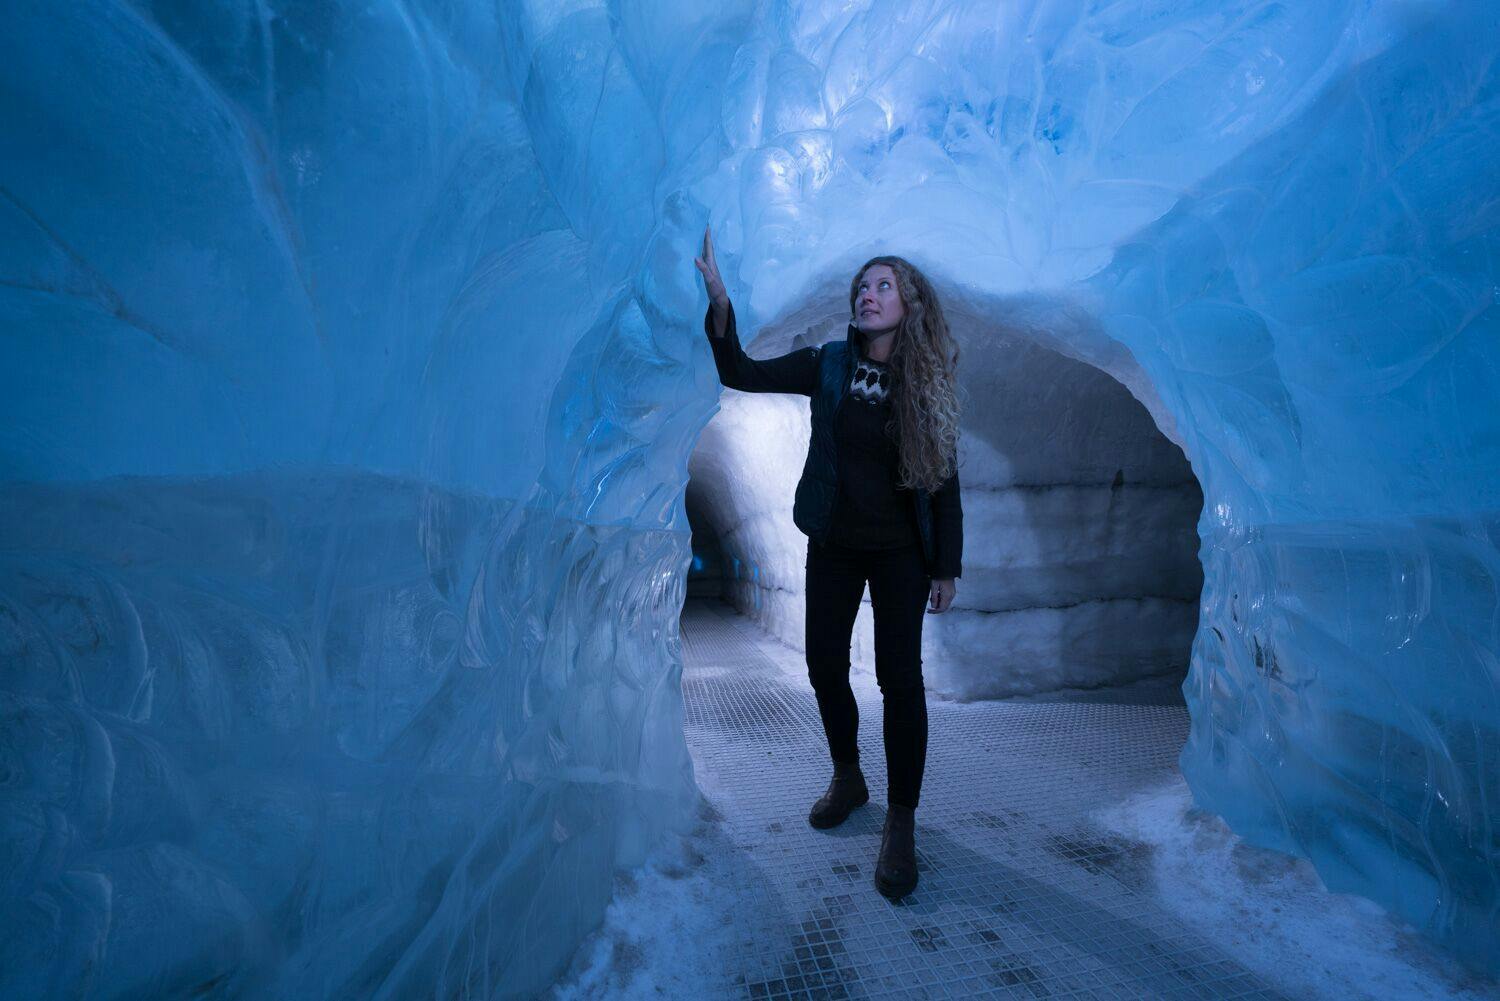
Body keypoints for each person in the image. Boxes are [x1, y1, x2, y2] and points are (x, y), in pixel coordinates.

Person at [694, 225, 963, 899]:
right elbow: (740, 372)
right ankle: (848, 773)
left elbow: (944, 483)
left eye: (883, 285)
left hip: (901, 550)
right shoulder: (828, 363)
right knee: (823, 663)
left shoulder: (925, 382)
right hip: (835, 542)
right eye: (862, 286)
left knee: (901, 679)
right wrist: (722, 306)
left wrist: (946, 565)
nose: (869, 295)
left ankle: (900, 821)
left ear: (909, 302)